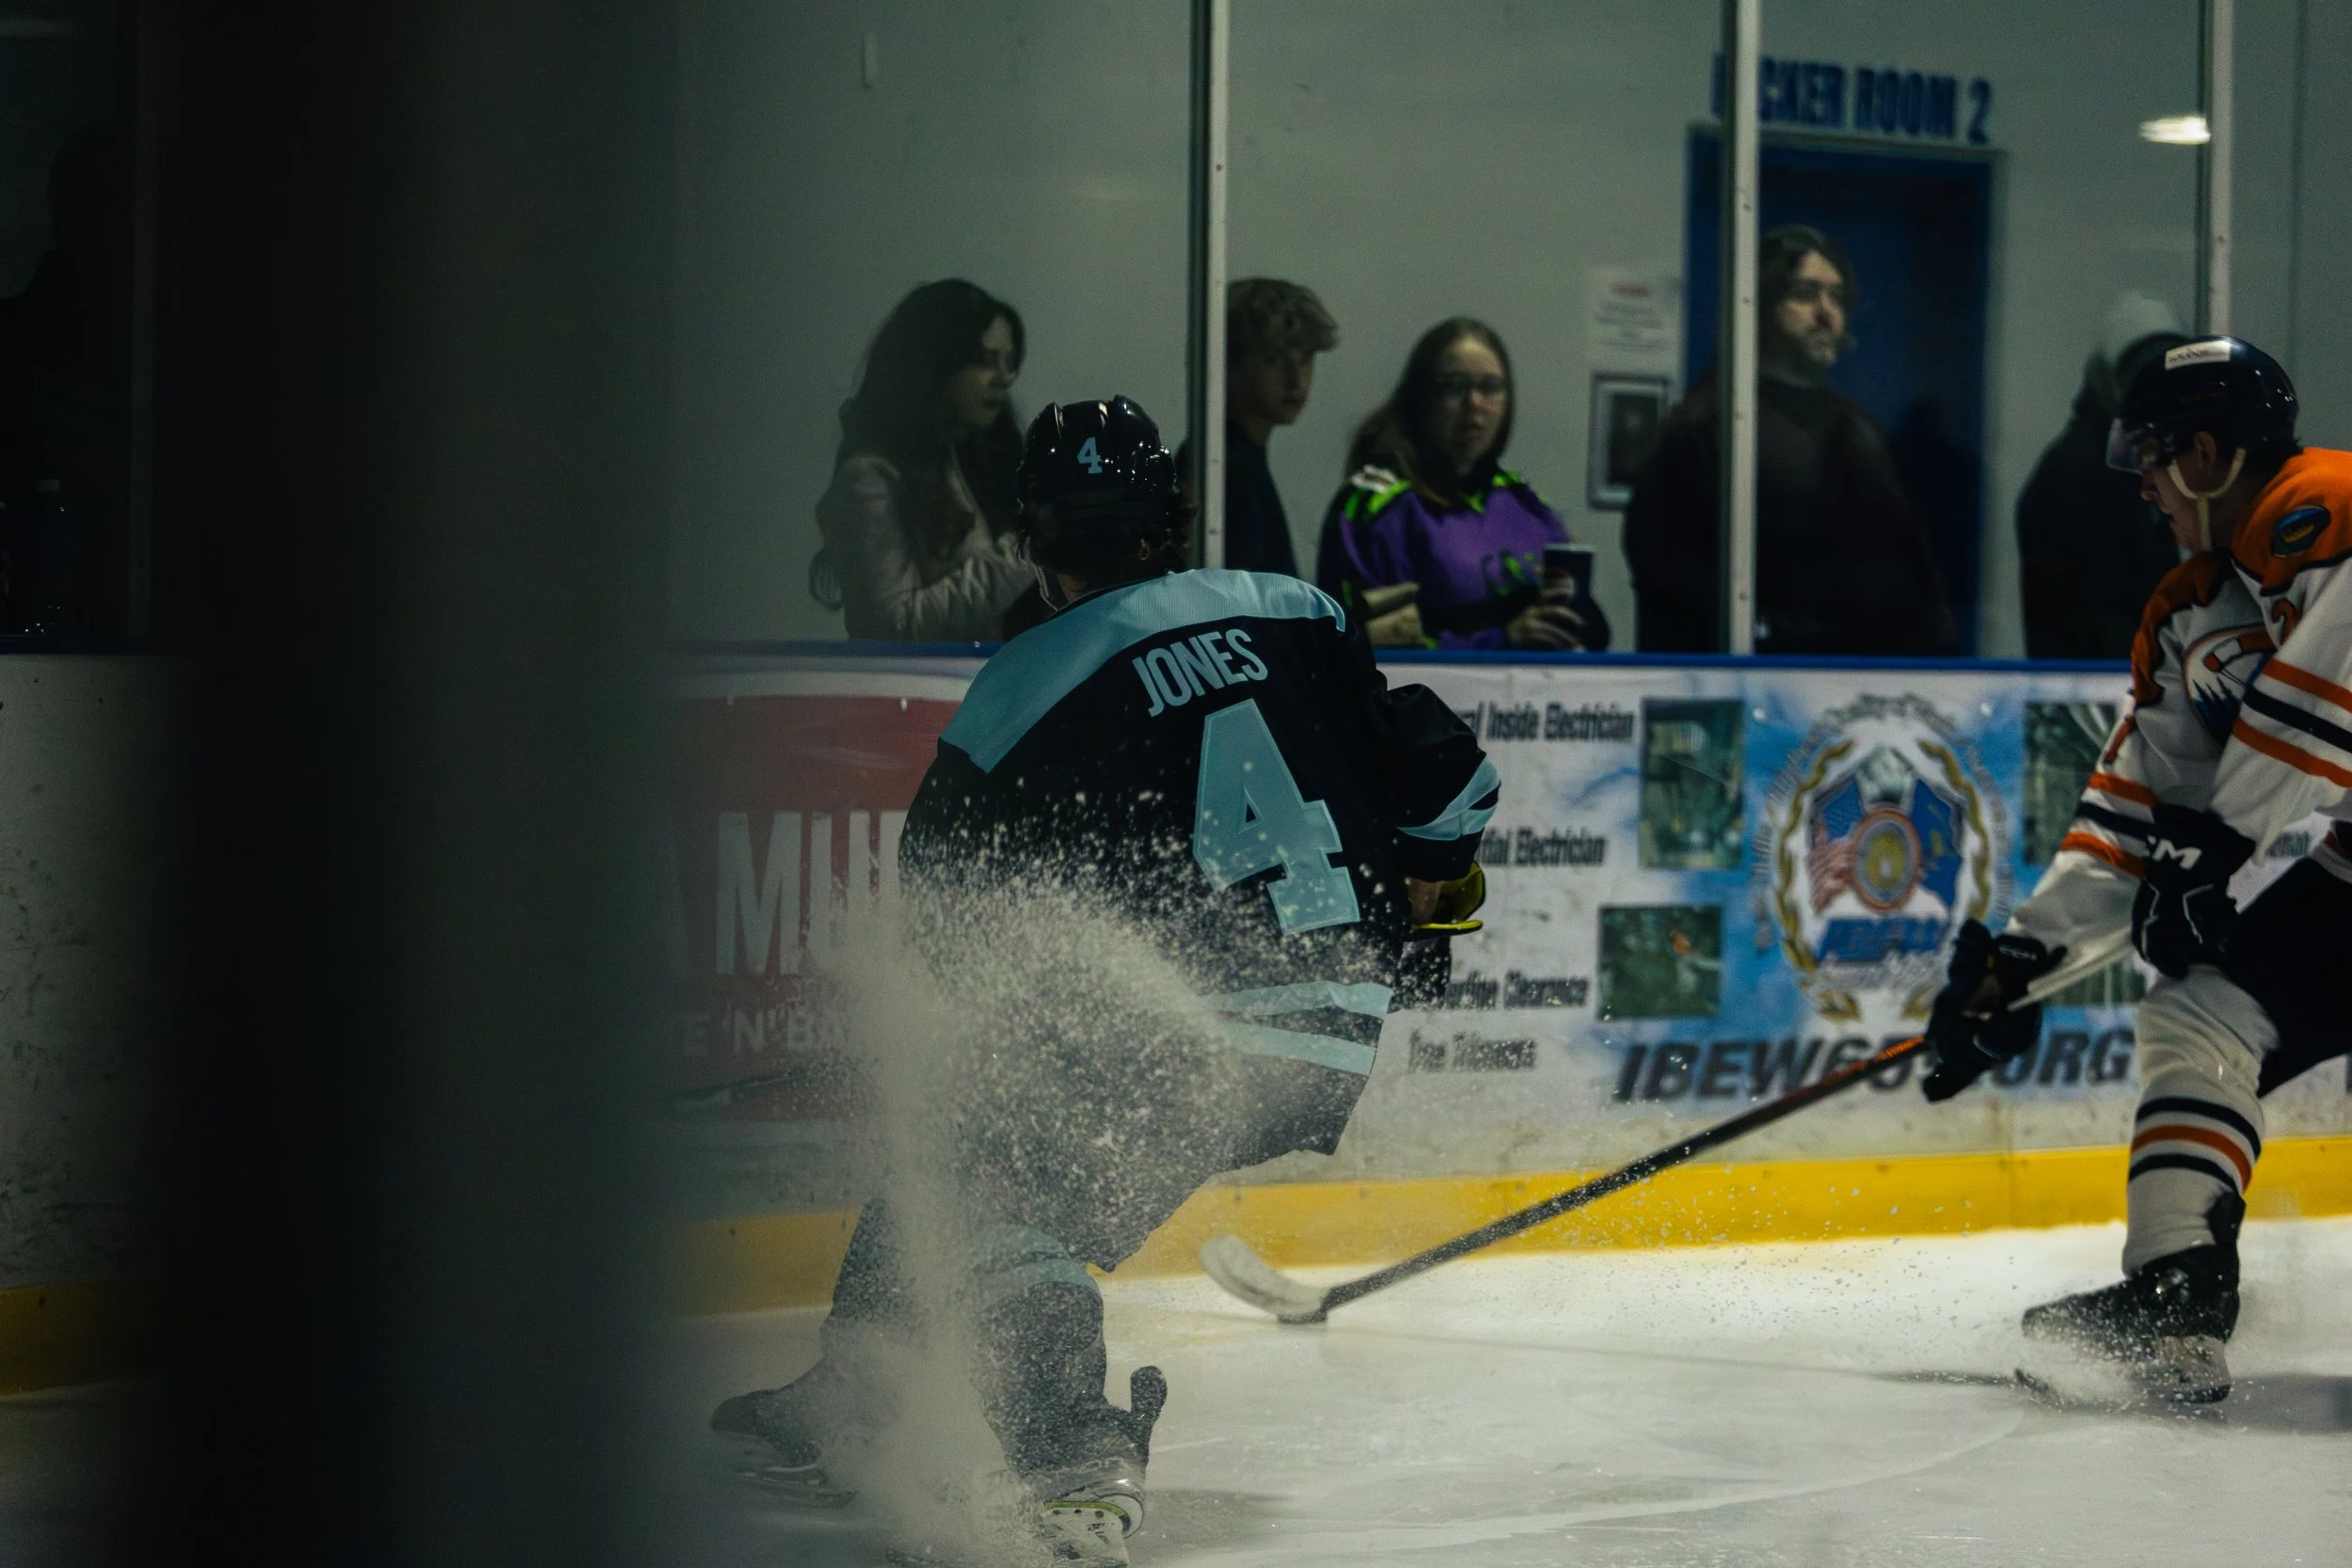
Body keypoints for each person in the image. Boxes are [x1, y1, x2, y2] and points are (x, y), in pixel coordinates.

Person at [713, 396, 1496, 1562]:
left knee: (994, 1201)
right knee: (957, 1150)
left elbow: (951, 923)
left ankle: (1074, 1450)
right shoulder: (1295, 606)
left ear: (1031, 533)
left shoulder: (1021, 690)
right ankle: (849, 1396)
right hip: (1334, 1031)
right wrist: (1432, 885)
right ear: (1170, 514)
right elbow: (1446, 776)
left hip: (1191, 1038)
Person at [1917, 338, 2352, 1403]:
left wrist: (2219, 843)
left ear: (2206, 454)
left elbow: (2326, 699)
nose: (2145, 487)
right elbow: (2132, 807)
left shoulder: (2330, 503)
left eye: (2154, 460)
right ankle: (2176, 1303)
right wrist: (2023, 959)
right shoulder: (2194, 612)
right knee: (2203, 1013)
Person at [1623, 224, 1957, 656]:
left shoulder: (1862, 434)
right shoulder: (1707, 425)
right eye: (1805, 293)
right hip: (1755, 687)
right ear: (1760, 305)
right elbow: (1672, 585)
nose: (1826, 312)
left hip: (1865, 691)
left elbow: (1915, 583)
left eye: (1836, 297)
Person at [1314, 317, 1609, 650]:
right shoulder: (1376, 508)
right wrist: (1501, 640)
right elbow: (1357, 646)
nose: (1475, 405)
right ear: (1420, 396)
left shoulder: (1524, 504)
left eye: (1490, 388)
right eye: (1454, 386)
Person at [813, 278, 1034, 641]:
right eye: (984, 361)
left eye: (1009, 362)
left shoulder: (979, 463)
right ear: (936, 364)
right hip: (925, 695)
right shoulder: (870, 480)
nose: (1003, 379)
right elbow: (891, 627)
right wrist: (1026, 553)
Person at [2017, 293, 2189, 658]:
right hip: (2097, 694)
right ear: (2111, 383)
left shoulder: (2131, 462)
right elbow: (2095, 621)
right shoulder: (2082, 476)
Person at [1173, 277, 1338, 578]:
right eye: (1274, 360)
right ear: (1227, 364)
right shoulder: (1225, 468)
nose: (1295, 378)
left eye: (1305, 359)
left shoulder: (1231, 458)